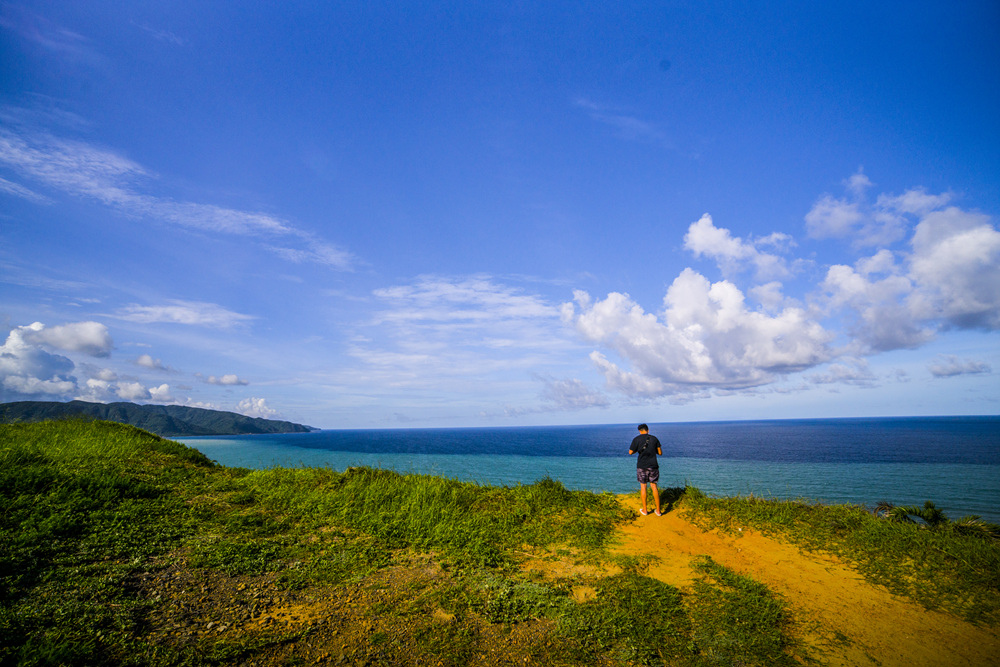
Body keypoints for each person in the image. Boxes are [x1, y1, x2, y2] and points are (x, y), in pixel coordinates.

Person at [628, 423, 662, 516]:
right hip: (653, 466)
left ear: (639, 431)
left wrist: (638, 450)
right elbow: (660, 453)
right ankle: (658, 511)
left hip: (642, 466)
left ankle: (645, 510)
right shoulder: (654, 439)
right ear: (648, 430)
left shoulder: (636, 439)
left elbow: (630, 452)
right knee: (654, 487)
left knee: (643, 487)